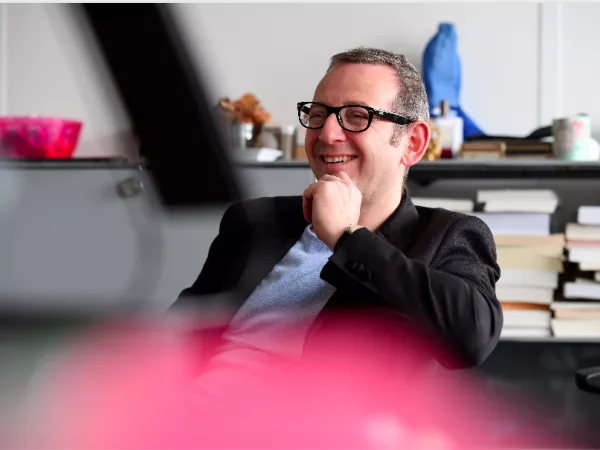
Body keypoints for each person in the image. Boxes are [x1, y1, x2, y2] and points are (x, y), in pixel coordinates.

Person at [172, 47, 502, 378]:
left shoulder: (445, 236)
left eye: (357, 116)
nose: (327, 135)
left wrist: (347, 237)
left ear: (412, 143)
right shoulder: (255, 221)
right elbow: (177, 335)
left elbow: (472, 337)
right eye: (318, 115)